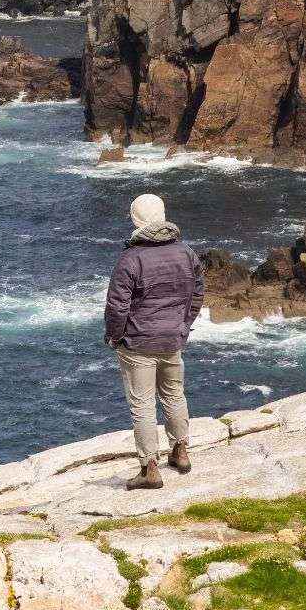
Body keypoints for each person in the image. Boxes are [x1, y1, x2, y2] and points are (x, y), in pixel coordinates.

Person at [104, 192, 202, 490]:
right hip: (172, 338)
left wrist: (115, 336)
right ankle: (180, 452)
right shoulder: (186, 252)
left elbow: (117, 306)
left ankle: (149, 469)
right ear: (163, 215)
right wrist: (182, 324)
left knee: (143, 405)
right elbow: (197, 294)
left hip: (138, 343)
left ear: (135, 219)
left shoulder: (130, 259)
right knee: (174, 395)